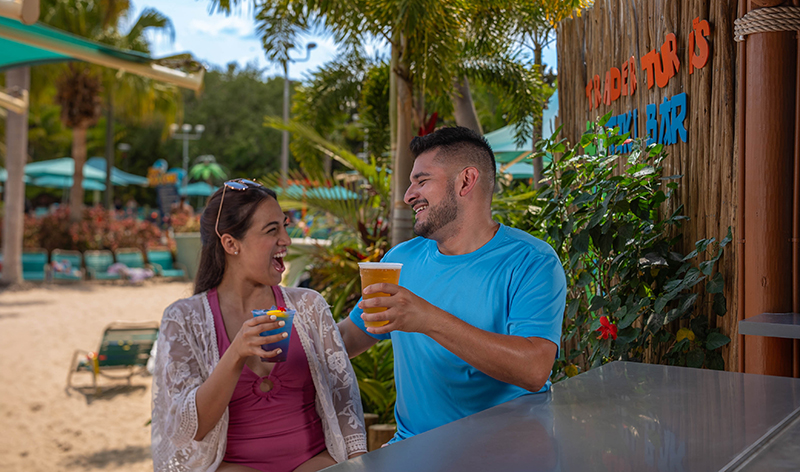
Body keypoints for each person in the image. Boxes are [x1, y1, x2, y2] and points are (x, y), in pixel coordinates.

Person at [338, 126, 567, 444]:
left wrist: (427, 319)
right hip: (412, 447)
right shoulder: (399, 259)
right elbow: (350, 336)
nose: (408, 195)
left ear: (466, 181)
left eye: (422, 181)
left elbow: (533, 369)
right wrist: (279, 340)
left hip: (509, 452)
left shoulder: (532, 261)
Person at [151, 179, 366, 471]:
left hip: (313, 463)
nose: (286, 240)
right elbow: (191, 428)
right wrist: (236, 352)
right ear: (230, 243)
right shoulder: (184, 319)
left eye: (284, 226)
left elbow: (344, 404)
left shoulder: (308, 306)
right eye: (271, 230)